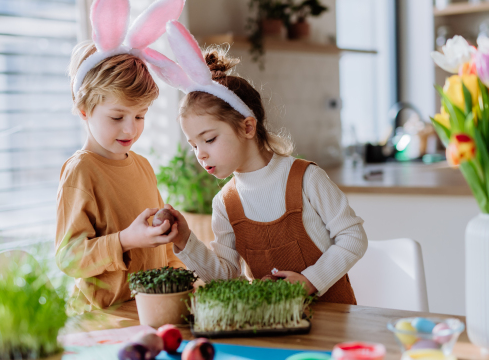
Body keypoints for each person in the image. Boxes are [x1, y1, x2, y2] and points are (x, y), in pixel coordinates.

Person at [144, 21, 367, 302]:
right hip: (272, 331)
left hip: (334, 322)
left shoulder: (306, 178)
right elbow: (226, 277)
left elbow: (353, 237)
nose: (200, 154)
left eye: (209, 139)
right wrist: (185, 240)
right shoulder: (225, 204)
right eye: (194, 145)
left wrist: (310, 281)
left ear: (248, 128)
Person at [55, 0, 186, 312]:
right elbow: (69, 258)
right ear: (85, 110)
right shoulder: (81, 171)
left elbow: (162, 251)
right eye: (117, 117)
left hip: (149, 309)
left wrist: (184, 278)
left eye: (140, 115)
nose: (131, 128)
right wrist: (126, 240)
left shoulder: (142, 166)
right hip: (105, 317)